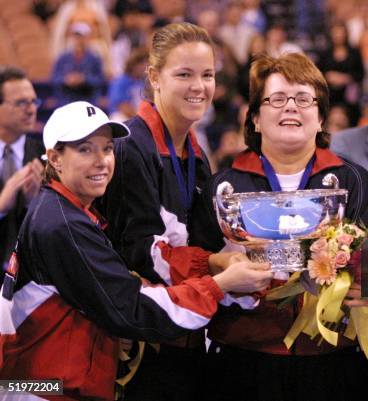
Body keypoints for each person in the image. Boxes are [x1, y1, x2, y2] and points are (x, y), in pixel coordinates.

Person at [0, 101, 273, 401]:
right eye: (85, 150)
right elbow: (132, 309)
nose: (102, 161)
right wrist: (219, 285)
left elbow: (104, 295)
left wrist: (209, 264)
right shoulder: (62, 223)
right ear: (55, 158)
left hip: (37, 384)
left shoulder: (63, 210)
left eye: (106, 149)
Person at [196, 52, 368, 401]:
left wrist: (364, 287)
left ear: (320, 118)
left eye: (304, 99)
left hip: (331, 361)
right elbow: (195, 264)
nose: (291, 108)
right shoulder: (222, 188)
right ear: (254, 118)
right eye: (277, 99)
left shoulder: (353, 181)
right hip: (243, 362)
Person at [99, 22, 237, 400]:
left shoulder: (195, 154)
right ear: (155, 77)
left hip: (186, 334)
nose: (199, 87)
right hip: (142, 346)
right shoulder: (130, 148)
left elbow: (203, 237)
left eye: (207, 75)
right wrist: (216, 269)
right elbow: (137, 253)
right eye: (184, 75)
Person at [0, 67, 44, 269]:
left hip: (29, 275)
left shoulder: (46, 157)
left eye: (33, 101)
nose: (31, 109)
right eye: (21, 103)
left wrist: (33, 205)